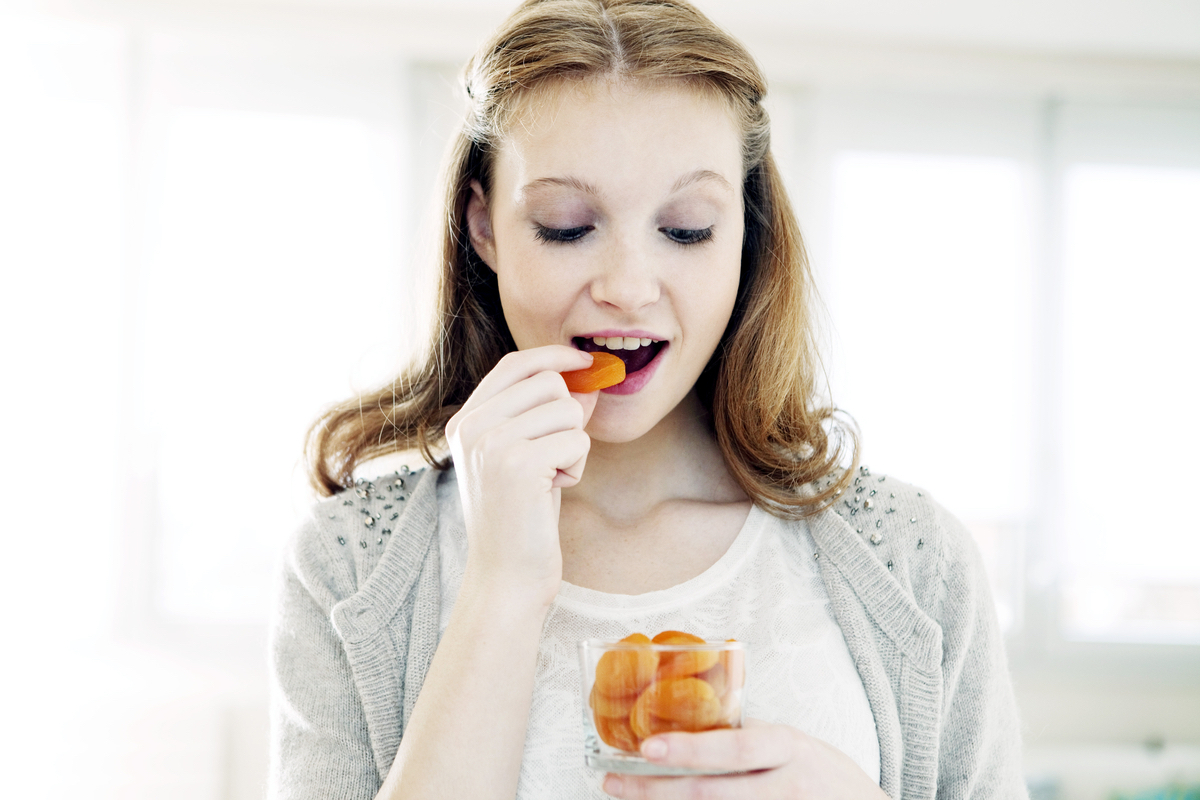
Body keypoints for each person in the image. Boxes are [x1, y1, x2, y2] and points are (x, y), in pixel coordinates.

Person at [268, 1, 1027, 798]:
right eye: (566, 227)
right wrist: (502, 585)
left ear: (747, 232)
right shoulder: (349, 564)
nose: (627, 289)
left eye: (688, 229)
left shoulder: (913, 559)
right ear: (484, 227)